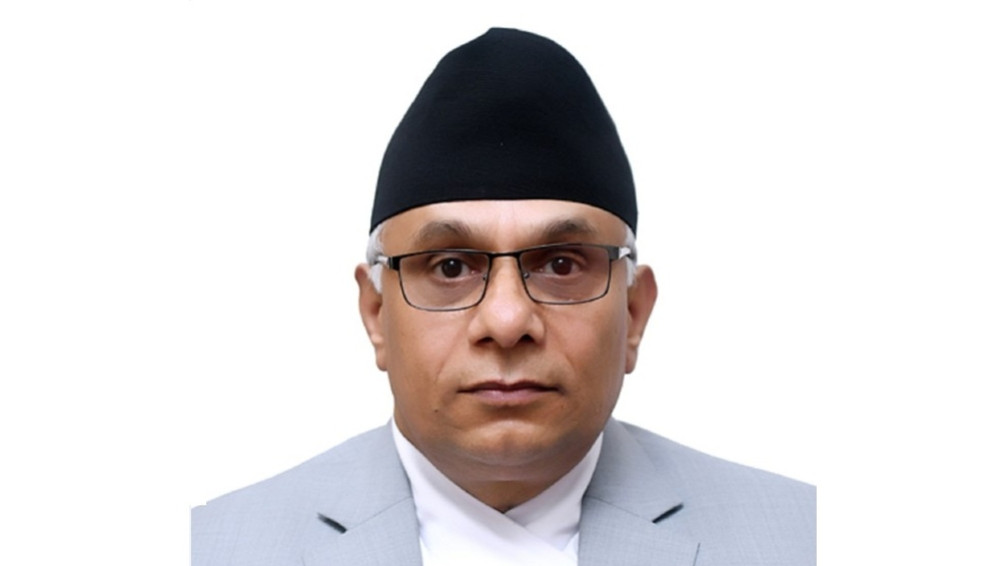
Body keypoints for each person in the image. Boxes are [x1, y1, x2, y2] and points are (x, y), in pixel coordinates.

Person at [191, 28, 815, 565]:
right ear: (376, 314)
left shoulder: (807, 539)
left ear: (633, 313)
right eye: (451, 266)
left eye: (562, 264)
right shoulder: (207, 547)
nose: (509, 319)